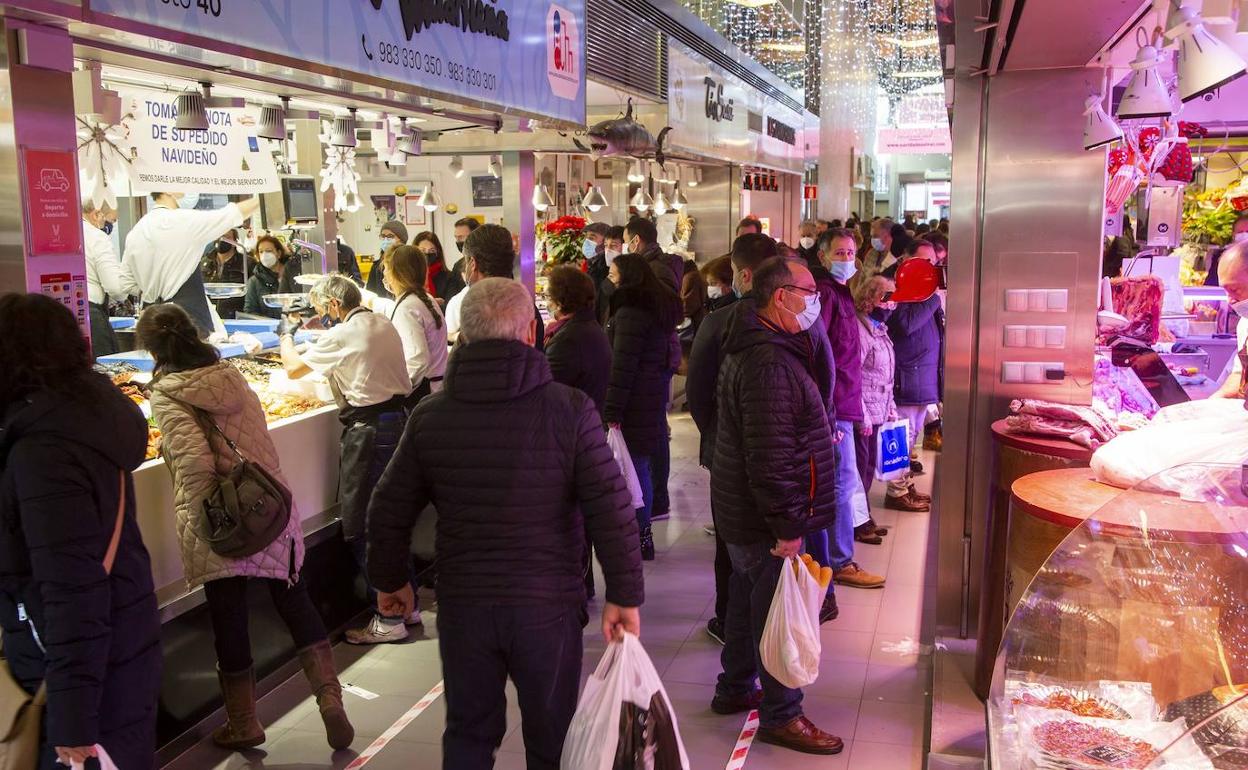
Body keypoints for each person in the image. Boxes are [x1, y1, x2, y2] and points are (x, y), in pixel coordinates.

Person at [365, 278, 644, 769]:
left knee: (469, 733)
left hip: (464, 605)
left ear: (463, 338)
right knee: (554, 736)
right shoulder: (570, 409)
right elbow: (611, 505)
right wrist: (623, 594)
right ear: (532, 334)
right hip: (548, 605)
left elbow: (387, 507)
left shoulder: (430, 416)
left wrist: (391, 581)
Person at [139, 303, 354, 752]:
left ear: (153, 349)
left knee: (229, 619)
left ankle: (244, 723)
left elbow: (196, 470)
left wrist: (204, 528)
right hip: (271, 502)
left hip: (226, 518)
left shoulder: (168, 394)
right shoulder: (231, 376)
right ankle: (331, 701)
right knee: (295, 601)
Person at [0, 293, 161, 770]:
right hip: (119, 648)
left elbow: (72, 588)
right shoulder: (87, 418)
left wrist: (73, 722)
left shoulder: (43, 451)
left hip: (79, 676)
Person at [711, 256, 843, 755]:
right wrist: (789, 525)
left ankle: (735, 687)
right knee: (775, 610)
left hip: (741, 510)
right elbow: (771, 456)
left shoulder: (763, 344)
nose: (815, 300)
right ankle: (783, 714)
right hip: (763, 515)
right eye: (808, 291)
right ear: (779, 295)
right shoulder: (768, 363)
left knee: (749, 601)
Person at [278, 275, 415, 644]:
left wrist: (286, 334)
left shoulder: (343, 333)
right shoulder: (380, 321)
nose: (323, 316)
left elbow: (292, 368)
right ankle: (407, 605)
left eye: (323, 309)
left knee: (360, 525)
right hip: (398, 421)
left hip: (370, 431)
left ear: (335, 306)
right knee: (389, 518)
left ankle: (388, 618)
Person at [688, 234, 781, 644]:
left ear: (741, 274)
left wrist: (715, 436)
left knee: (731, 541)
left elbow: (697, 392)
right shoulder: (793, 318)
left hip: (726, 452)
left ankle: (730, 622)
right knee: (772, 540)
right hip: (779, 455)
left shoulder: (716, 322)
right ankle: (768, 625)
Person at [811, 229, 885, 594]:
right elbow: (818, 352)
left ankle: (836, 557)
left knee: (846, 481)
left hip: (846, 402)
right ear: (823, 256)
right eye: (839, 252)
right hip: (835, 404)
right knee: (842, 483)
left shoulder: (842, 293)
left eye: (851, 253)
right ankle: (839, 561)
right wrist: (827, 410)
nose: (846, 259)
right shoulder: (826, 293)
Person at [603, 253, 683, 560]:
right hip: (650, 398)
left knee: (632, 470)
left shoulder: (630, 315)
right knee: (641, 469)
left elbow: (622, 367)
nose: (610, 279)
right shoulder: (656, 310)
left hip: (632, 402)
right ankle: (643, 534)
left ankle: (638, 536)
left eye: (613, 274)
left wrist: (612, 410)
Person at [122, 191, 261, 336]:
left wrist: (153, 290)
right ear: (168, 190)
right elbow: (231, 214)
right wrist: (265, 200)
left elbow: (123, 284)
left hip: (152, 321)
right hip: (186, 321)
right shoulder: (182, 220)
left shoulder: (136, 231)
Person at [622, 218, 681, 521]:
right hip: (656, 356)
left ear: (636, 240)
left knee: (655, 430)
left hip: (655, 358)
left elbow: (665, 313)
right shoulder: (657, 266)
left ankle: (657, 498)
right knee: (655, 427)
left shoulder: (656, 270)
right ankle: (656, 497)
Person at [883, 241, 943, 511]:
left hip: (923, 377)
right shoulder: (899, 290)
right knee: (898, 437)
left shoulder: (925, 293)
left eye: (932, 262)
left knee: (913, 435)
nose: (927, 268)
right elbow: (905, 325)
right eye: (921, 261)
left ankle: (904, 485)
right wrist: (933, 298)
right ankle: (895, 492)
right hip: (905, 376)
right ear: (905, 260)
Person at [854, 275, 907, 524]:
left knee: (868, 468)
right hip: (863, 413)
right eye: (884, 299)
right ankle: (859, 521)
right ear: (869, 297)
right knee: (860, 471)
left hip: (879, 410)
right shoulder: (859, 330)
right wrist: (862, 415)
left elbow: (885, 373)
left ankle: (863, 517)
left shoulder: (880, 329)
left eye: (892, 300)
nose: (889, 305)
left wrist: (891, 407)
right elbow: (853, 376)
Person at [369, 244, 449, 405]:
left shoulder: (407, 307)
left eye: (385, 268)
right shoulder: (423, 299)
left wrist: (398, 392)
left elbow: (417, 360)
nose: (383, 273)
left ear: (396, 273)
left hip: (424, 397)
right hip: (436, 390)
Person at [444, 224, 545, 350]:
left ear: (473, 263)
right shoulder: (528, 306)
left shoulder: (476, 310)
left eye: (466, 261)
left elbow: (459, 364)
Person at [545, 265, 612, 418]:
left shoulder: (567, 340)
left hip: (570, 426)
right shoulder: (588, 325)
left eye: (550, 297)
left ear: (560, 302)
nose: (548, 303)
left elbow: (545, 388)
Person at [82, 199, 131, 356]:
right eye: (111, 220)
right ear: (96, 214)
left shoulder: (63, 232)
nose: (109, 226)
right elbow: (115, 288)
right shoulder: (97, 237)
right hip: (92, 317)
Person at [1213, 241, 1248, 399]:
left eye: (1234, 290)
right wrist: (1214, 402)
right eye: (1225, 291)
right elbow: (1240, 374)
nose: (1229, 300)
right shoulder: (1245, 324)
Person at [243, 235, 298, 319]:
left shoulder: (294, 273)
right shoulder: (254, 282)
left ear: (278, 253)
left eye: (268, 251)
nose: (265, 255)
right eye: (261, 252)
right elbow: (250, 311)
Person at [413, 231, 466, 307]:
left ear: (438, 253)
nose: (427, 254)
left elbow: (449, 306)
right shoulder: (410, 276)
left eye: (432, 250)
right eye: (423, 250)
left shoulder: (448, 277)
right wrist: (433, 302)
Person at [366, 220, 408, 301]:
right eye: (383, 236)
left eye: (390, 236)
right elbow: (371, 292)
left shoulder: (408, 263)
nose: (386, 240)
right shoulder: (376, 266)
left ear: (401, 239)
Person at [1205, 214, 1248, 287]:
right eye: (1240, 232)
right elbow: (1211, 285)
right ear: (1233, 234)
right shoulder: (1221, 257)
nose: (1244, 235)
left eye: (1247, 232)